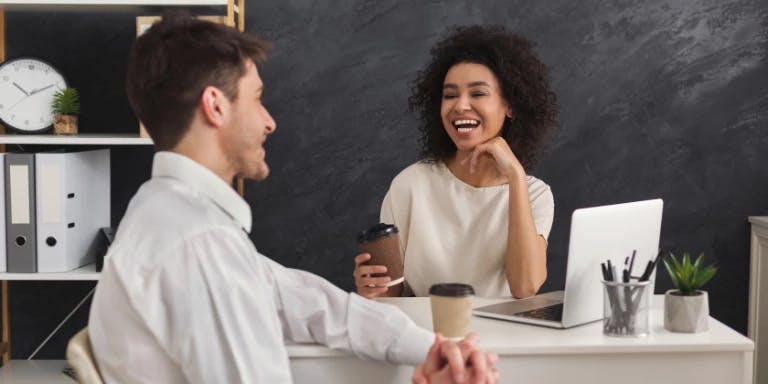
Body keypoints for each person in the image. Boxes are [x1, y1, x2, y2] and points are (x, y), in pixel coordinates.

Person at [88, 14, 498, 384]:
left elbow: (308, 302)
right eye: (256, 97)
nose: (270, 120)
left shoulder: (172, 215)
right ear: (215, 106)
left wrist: (431, 347)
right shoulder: (199, 244)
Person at [354, 25, 558, 299]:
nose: (460, 105)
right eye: (450, 95)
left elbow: (525, 287)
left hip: (506, 339)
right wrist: (373, 288)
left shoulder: (534, 194)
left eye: (477, 93)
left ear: (509, 105)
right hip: (430, 336)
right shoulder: (410, 185)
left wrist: (515, 176)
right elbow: (394, 299)